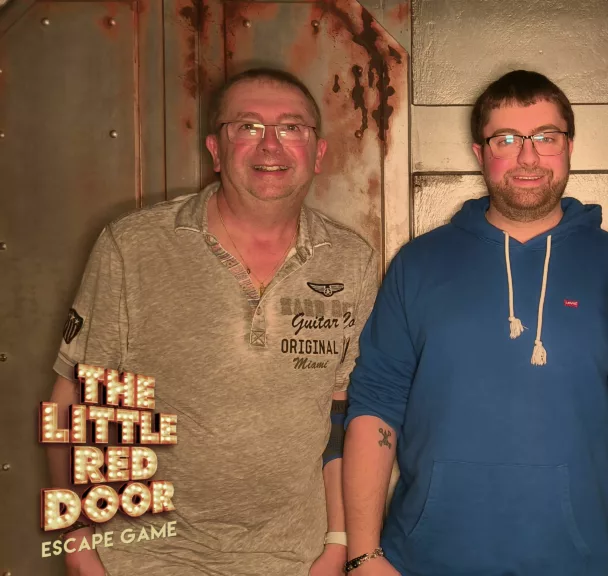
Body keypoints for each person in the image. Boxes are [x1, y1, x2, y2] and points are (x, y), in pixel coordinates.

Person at [342, 70, 608, 576]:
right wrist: (363, 555)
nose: (528, 157)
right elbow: (375, 406)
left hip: (574, 564)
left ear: (569, 146)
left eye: (546, 137)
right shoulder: (419, 264)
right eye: (506, 139)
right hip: (420, 562)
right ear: (480, 153)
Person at [46, 67, 378, 575]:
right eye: (247, 127)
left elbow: (341, 411)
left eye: (292, 128)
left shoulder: (350, 260)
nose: (271, 145)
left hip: (292, 558)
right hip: (145, 555)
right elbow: (74, 398)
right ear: (216, 150)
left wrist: (337, 543)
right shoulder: (133, 247)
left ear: (318, 152)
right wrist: (76, 541)